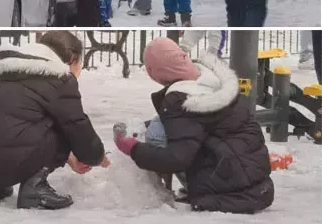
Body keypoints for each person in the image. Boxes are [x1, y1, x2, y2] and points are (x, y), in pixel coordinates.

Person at [0, 32, 110, 209]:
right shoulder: (61, 79)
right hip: (4, 152)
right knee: (62, 126)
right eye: (81, 62)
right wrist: (96, 156)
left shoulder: (13, 71)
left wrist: (69, 157)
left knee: (3, 124)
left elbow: (5, 123)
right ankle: (34, 190)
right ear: (72, 59)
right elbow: (77, 127)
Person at [113, 38, 274, 213]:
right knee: (159, 124)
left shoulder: (181, 99)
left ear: (154, 72)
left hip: (229, 189)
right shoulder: (213, 81)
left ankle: (162, 189)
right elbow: (193, 125)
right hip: (255, 184)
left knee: (157, 130)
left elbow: (177, 157)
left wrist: (133, 148)